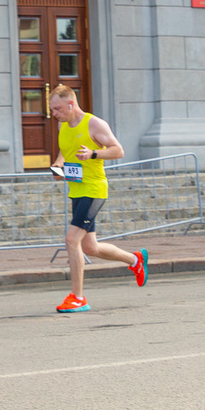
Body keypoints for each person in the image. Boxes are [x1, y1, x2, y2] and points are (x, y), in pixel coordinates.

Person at [46, 85, 147, 314]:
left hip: (93, 190)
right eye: (52, 109)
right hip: (76, 190)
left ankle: (78, 297)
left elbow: (118, 150)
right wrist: (58, 165)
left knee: (71, 240)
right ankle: (135, 260)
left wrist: (93, 154)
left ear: (71, 104)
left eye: (57, 109)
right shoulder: (63, 125)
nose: (54, 114)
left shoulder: (94, 124)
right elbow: (65, 151)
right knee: (90, 247)